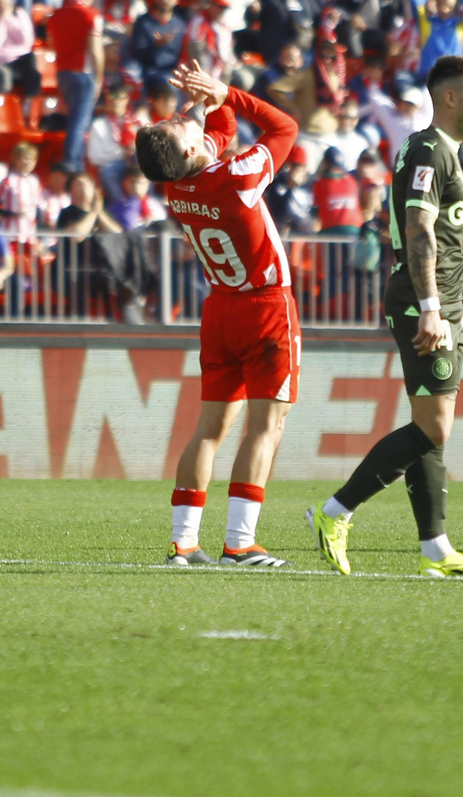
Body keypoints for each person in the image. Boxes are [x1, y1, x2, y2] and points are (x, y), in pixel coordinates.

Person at [306, 55, 463, 579]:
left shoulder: (445, 153)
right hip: (425, 302)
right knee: (434, 427)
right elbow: (417, 229)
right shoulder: (428, 149)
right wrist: (432, 307)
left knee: (430, 426)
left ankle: (435, 549)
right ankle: (333, 512)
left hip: (443, 302)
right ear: (451, 97)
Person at [136, 60, 300, 568]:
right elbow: (285, 128)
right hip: (265, 306)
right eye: (180, 122)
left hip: (220, 311)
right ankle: (239, 542)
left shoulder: (176, 183)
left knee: (209, 428)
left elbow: (217, 131)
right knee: (265, 427)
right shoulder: (236, 176)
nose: (184, 116)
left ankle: (183, 543)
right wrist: (227, 90)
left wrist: (207, 100)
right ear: (189, 148)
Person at [48, 0, 105, 174]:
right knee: (79, 123)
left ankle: (76, 164)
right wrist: (99, 77)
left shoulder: (56, 15)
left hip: (63, 72)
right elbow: (96, 51)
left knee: (75, 120)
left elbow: (51, 44)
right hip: (83, 74)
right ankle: (72, 164)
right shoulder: (91, 15)